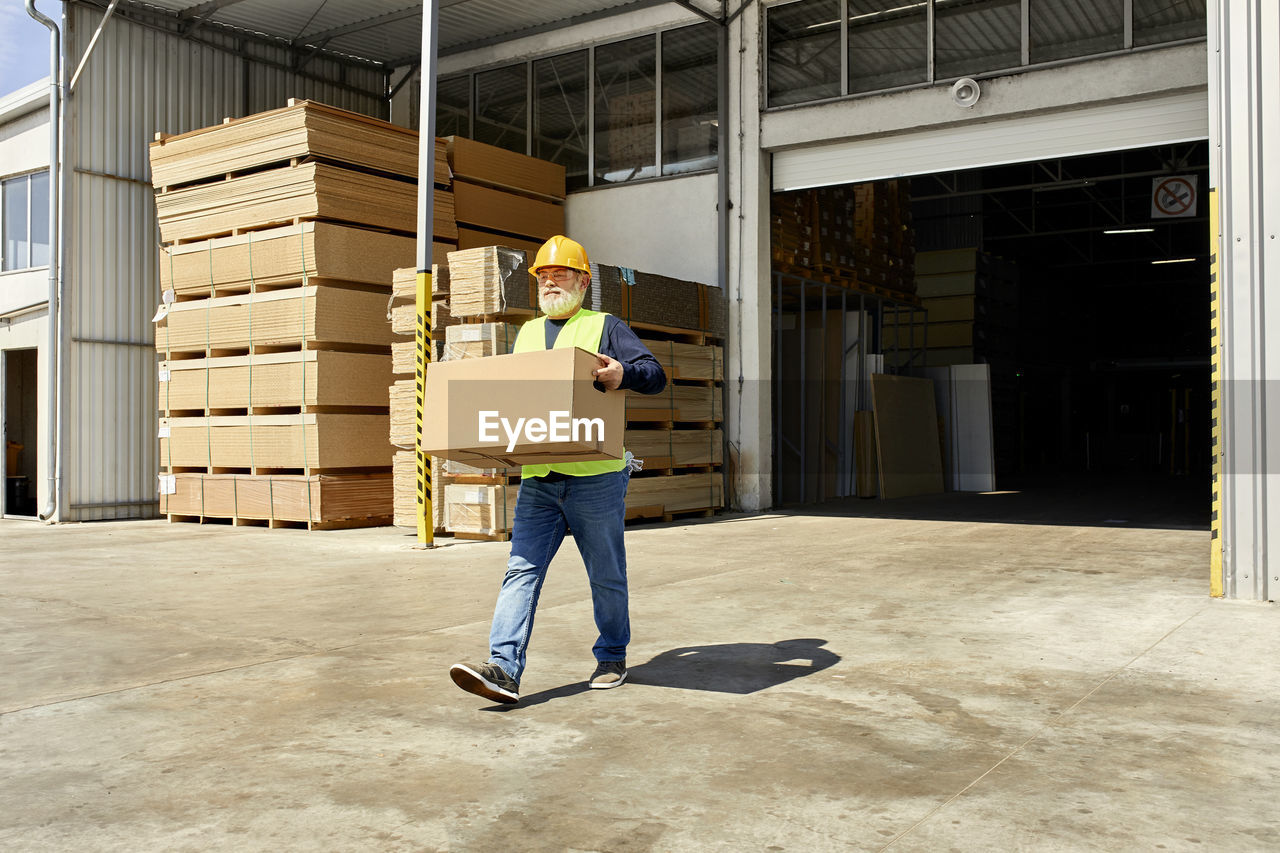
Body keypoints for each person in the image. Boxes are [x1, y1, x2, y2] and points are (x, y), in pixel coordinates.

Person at [450, 235, 668, 705]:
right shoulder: (527, 333)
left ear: (583, 281)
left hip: (596, 478)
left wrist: (622, 375)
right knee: (520, 571)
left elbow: (655, 373)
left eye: (559, 274)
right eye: (542, 277)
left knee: (605, 573)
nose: (549, 283)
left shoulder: (605, 326)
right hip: (539, 480)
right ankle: (504, 668)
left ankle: (612, 654)